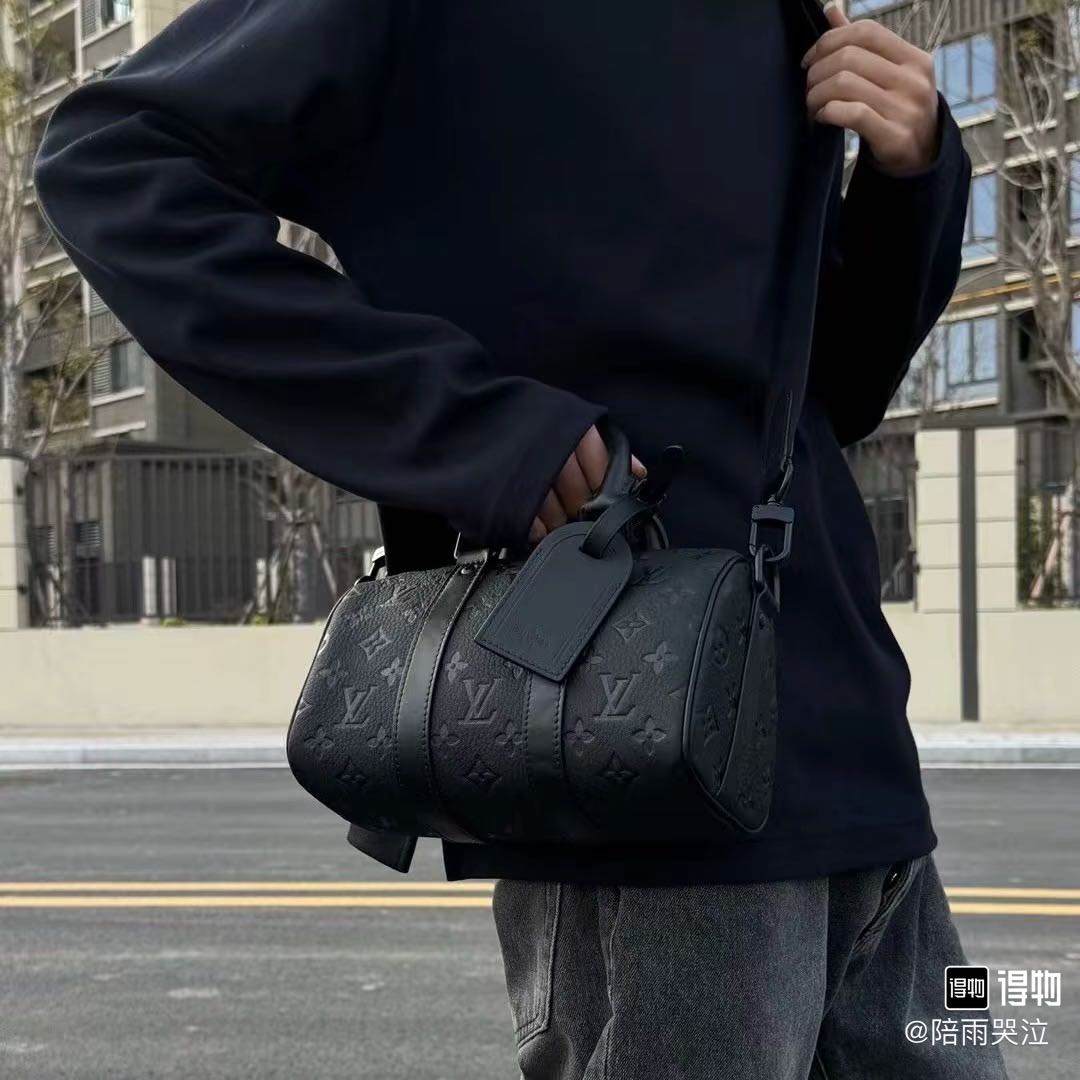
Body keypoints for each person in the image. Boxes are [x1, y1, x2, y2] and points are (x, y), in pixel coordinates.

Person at [33, 0, 1007, 1075]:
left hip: (855, 755)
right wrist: (472, 431)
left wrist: (910, 178)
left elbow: (832, 391)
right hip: (641, 751)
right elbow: (111, 163)